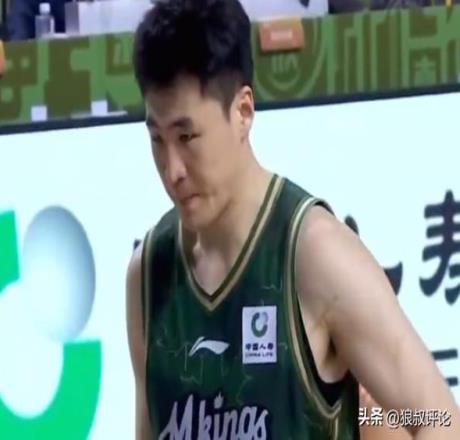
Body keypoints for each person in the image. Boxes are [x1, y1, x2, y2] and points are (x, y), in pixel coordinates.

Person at [126, 0, 459, 438]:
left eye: (187, 137)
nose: (172, 170)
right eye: (157, 139)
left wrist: (377, 422)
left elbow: (437, 416)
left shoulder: (315, 256)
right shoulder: (148, 273)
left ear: (243, 112)